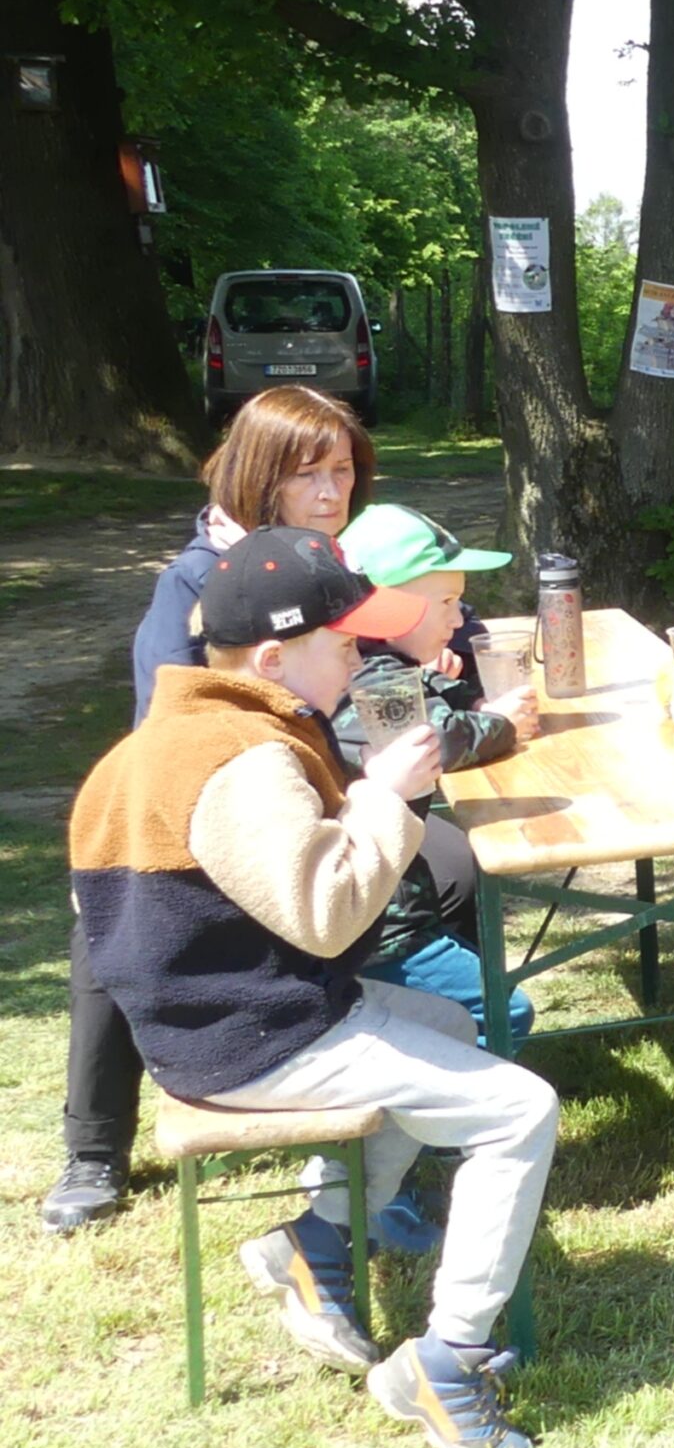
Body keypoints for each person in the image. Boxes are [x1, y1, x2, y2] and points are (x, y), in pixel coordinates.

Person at [70, 526, 558, 1448]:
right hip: (253, 1037)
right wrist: (385, 795)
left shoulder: (173, 735)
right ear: (271, 659)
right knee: (519, 1109)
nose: (359, 661)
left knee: (452, 1021)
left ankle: (321, 1238)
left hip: (209, 1022)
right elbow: (328, 917)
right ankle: (450, 1362)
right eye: (342, 645)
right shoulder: (243, 760)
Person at [46, 388, 477, 1239]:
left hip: (336, 783)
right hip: (215, 816)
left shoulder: (333, 560)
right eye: (307, 474)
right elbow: (172, 735)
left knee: (457, 863)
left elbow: (396, 646)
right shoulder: (202, 581)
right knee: (110, 919)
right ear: (257, 474)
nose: (331, 491)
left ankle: (404, 1070)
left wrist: (446, 654)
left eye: (343, 470)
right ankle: (94, 1146)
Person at [332, 504, 542, 1050]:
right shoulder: (368, 673)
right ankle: (449, 1099)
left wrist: (444, 684)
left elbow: (432, 704)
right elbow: (436, 738)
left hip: (390, 903)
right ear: (387, 604)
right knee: (505, 1012)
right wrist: (501, 725)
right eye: (446, 603)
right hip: (379, 926)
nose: (458, 620)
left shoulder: (379, 661)